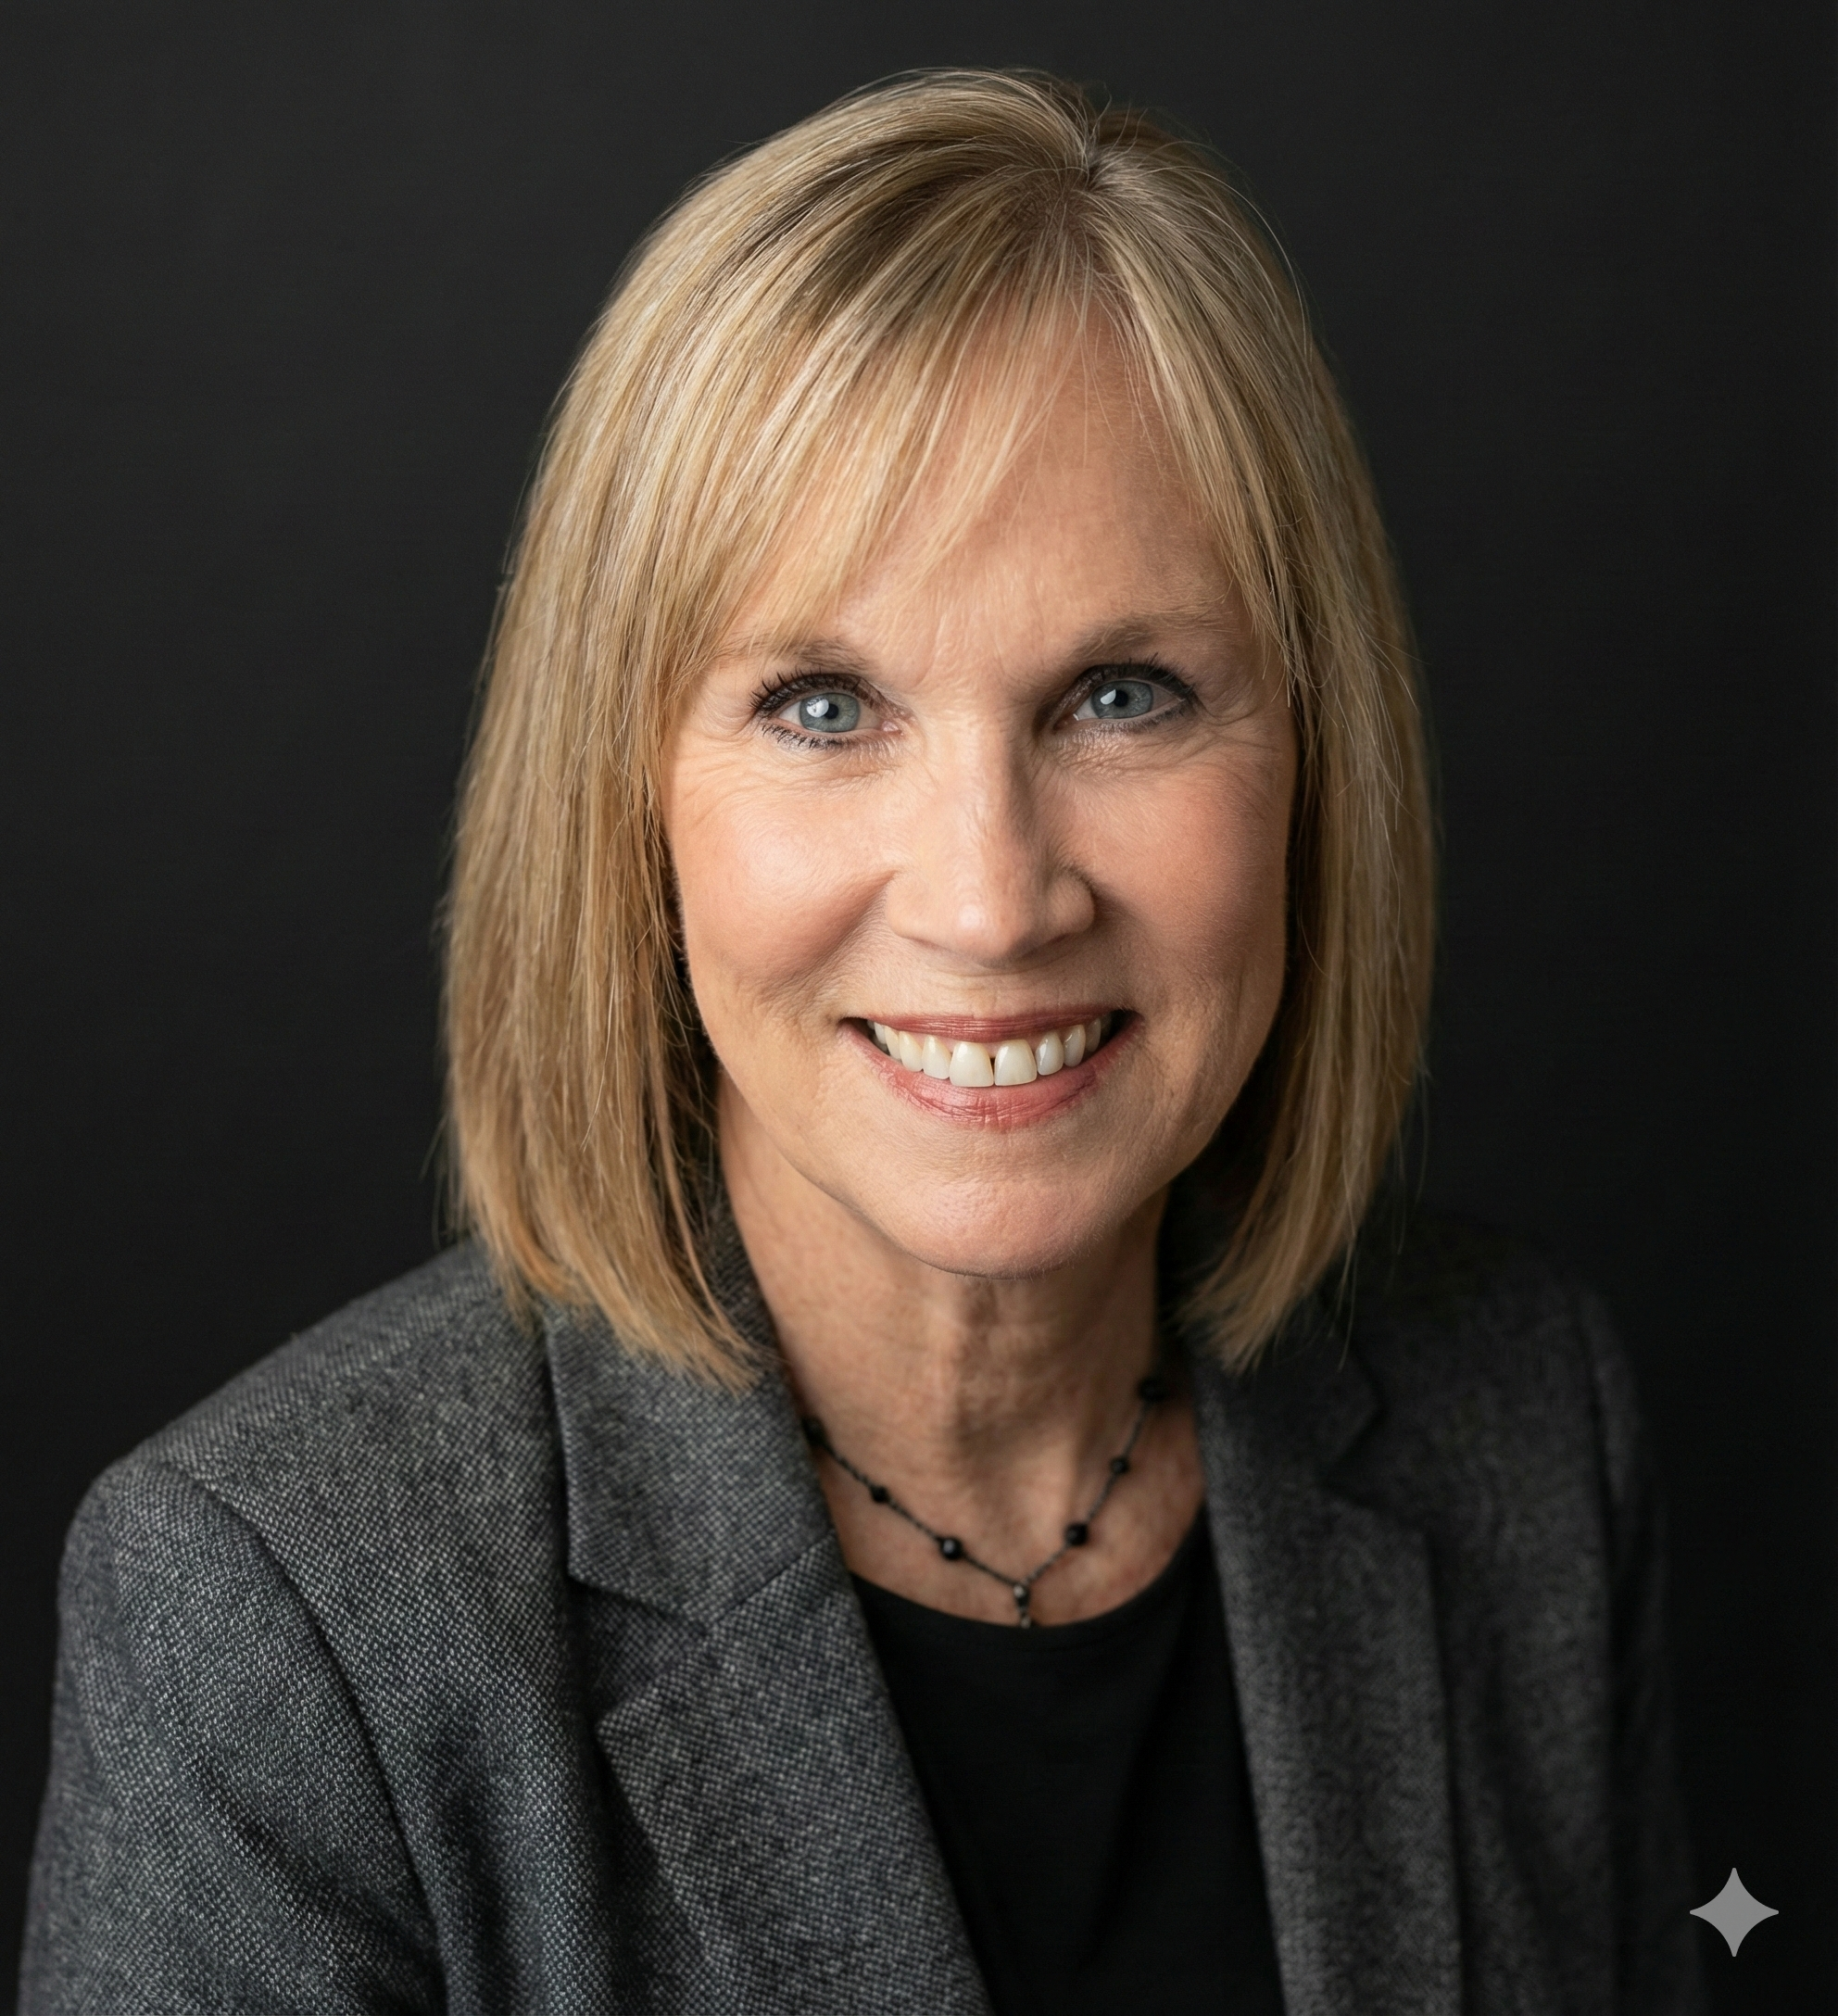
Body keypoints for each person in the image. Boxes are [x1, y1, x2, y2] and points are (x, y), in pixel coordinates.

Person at [19, 69, 1704, 2015]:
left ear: (1317, 761)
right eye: (822, 705)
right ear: (622, 799)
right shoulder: (283, 1615)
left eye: (1122, 690)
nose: (990, 900)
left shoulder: (1517, 1417)